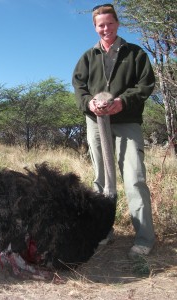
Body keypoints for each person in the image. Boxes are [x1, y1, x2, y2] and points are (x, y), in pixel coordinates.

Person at [72, 3, 155, 259]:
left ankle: (144, 239)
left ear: (117, 24)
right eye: (100, 25)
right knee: (101, 180)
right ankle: (103, 232)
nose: (105, 29)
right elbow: (79, 86)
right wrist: (89, 103)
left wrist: (122, 102)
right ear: (95, 27)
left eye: (109, 23)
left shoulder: (135, 54)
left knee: (134, 178)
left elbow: (145, 85)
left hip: (127, 121)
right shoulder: (88, 56)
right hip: (97, 124)